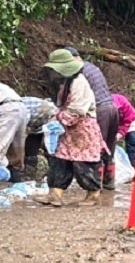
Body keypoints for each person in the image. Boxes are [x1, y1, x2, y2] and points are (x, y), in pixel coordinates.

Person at [35, 49, 106, 207]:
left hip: (83, 129)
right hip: (69, 129)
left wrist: (60, 119)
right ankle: (55, 194)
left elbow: (78, 109)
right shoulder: (66, 83)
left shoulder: (79, 82)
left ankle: (93, 195)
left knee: (84, 163)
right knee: (60, 160)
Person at [65, 47, 119, 189]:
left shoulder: (79, 72)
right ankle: (109, 182)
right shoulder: (92, 67)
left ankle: (96, 186)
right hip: (112, 109)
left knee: (96, 148)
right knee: (109, 147)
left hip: (100, 110)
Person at [17, 96, 58, 179]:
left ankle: (55, 173)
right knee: (31, 147)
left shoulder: (18, 111)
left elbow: (21, 133)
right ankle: (29, 174)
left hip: (47, 116)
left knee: (49, 147)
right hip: (36, 120)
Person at [113, 92, 135, 169]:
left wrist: (120, 133)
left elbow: (127, 122)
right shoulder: (106, 106)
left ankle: (134, 167)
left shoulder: (125, 106)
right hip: (116, 122)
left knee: (132, 144)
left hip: (131, 121)